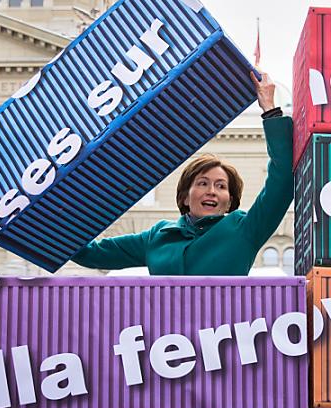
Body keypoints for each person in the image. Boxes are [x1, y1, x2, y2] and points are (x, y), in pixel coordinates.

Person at [72, 70, 292, 276]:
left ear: (229, 202)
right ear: (185, 197)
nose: (211, 191)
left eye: (221, 186)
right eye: (203, 183)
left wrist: (270, 110)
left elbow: (282, 180)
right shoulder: (158, 236)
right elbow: (91, 254)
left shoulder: (244, 229)